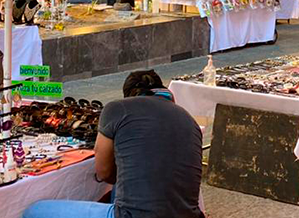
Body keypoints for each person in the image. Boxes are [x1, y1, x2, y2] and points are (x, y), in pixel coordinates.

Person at [23, 70, 204, 218]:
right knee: (121, 185)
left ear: (128, 95)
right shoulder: (189, 120)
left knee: (33, 211)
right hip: (188, 214)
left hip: (131, 216)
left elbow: (103, 172)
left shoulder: (118, 108)